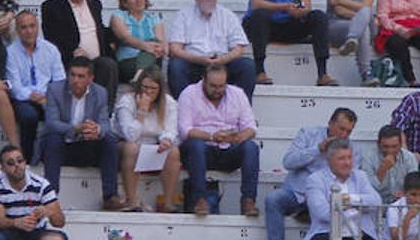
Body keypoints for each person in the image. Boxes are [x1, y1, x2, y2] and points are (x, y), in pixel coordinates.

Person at [262, 108, 358, 240]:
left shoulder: (350, 149)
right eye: (341, 129)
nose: (344, 135)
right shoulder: (308, 134)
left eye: (349, 131)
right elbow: (288, 162)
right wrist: (318, 149)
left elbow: (352, 178)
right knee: (273, 199)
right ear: (330, 123)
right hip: (296, 193)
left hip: (324, 199)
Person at [177, 64, 261, 218]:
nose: (217, 90)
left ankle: (248, 201)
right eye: (213, 86)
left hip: (229, 148)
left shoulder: (237, 94)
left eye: (221, 86)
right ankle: (200, 199)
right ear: (203, 80)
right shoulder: (189, 94)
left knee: (250, 147)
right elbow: (185, 131)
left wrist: (238, 137)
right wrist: (211, 137)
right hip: (201, 150)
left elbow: (251, 127)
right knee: (195, 145)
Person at [304, 140, 382, 240]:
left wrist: (349, 200)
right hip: (329, 233)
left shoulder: (360, 176)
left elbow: (376, 201)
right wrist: (357, 208)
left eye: (349, 158)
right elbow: (322, 212)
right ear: (329, 160)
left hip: (358, 235)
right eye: (341, 159)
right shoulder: (315, 179)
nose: (347, 163)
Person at [41, 57, 121, 208]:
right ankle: (50, 196)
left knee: (109, 139)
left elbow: (105, 122)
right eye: (72, 75)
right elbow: (51, 123)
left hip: (87, 145)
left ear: (90, 78)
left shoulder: (100, 92)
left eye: (81, 76)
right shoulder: (54, 89)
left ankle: (110, 196)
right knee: (52, 138)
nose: (75, 80)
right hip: (63, 146)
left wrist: (96, 130)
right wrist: (76, 128)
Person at [41, 0, 119, 109]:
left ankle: (105, 115)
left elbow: (100, 28)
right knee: (80, 69)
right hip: (72, 59)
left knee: (109, 65)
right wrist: (73, 51)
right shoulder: (51, 6)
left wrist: (114, 40)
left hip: (97, 59)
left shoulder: (94, 4)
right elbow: (51, 37)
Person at [167, 0, 257, 100]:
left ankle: (244, 113)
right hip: (194, 63)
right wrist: (200, 59)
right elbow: (175, 49)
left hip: (222, 63)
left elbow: (239, 49)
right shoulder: (183, 15)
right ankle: (184, 109)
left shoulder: (227, 15)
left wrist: (222, 59)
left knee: (247, 65)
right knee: (176, 66)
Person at [114, 67, 181, 213]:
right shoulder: (127, 101)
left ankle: (168, 203)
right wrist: (142, 111)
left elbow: (170, 129)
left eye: (153, 88)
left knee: (173, 151)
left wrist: (166, 140)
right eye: (145, 87)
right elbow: (130, 135)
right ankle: (131, 201)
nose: (148, 92)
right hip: (127, 143)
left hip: (154, 144)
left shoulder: (168, 102)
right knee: (131, 147)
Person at [6, 11, 64, 162]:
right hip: (23, 100)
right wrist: (33, 96)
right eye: (24, 27)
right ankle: (27, 159)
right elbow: (14, 86)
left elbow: (60, 80)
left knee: (60, 113)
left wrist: (47, 97)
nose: (29, 31)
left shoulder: (51, 50)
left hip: (47, 97)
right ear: (17, 31)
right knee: (28, 116)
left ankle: (53, 157)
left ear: (37, 27)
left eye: (32, 26)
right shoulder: (11, 53)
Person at [111, 0, 167, 86]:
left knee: (155, 43)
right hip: (128, 62)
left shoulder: (154, 18)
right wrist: (146, 46)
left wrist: (157, 47)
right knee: (153, 70)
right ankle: (141, 74)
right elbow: (125, 38)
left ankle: (139, 75)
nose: (138, 0)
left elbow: (160, 44)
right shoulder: (118, 16)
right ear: (124, 3)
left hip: (154, 60)